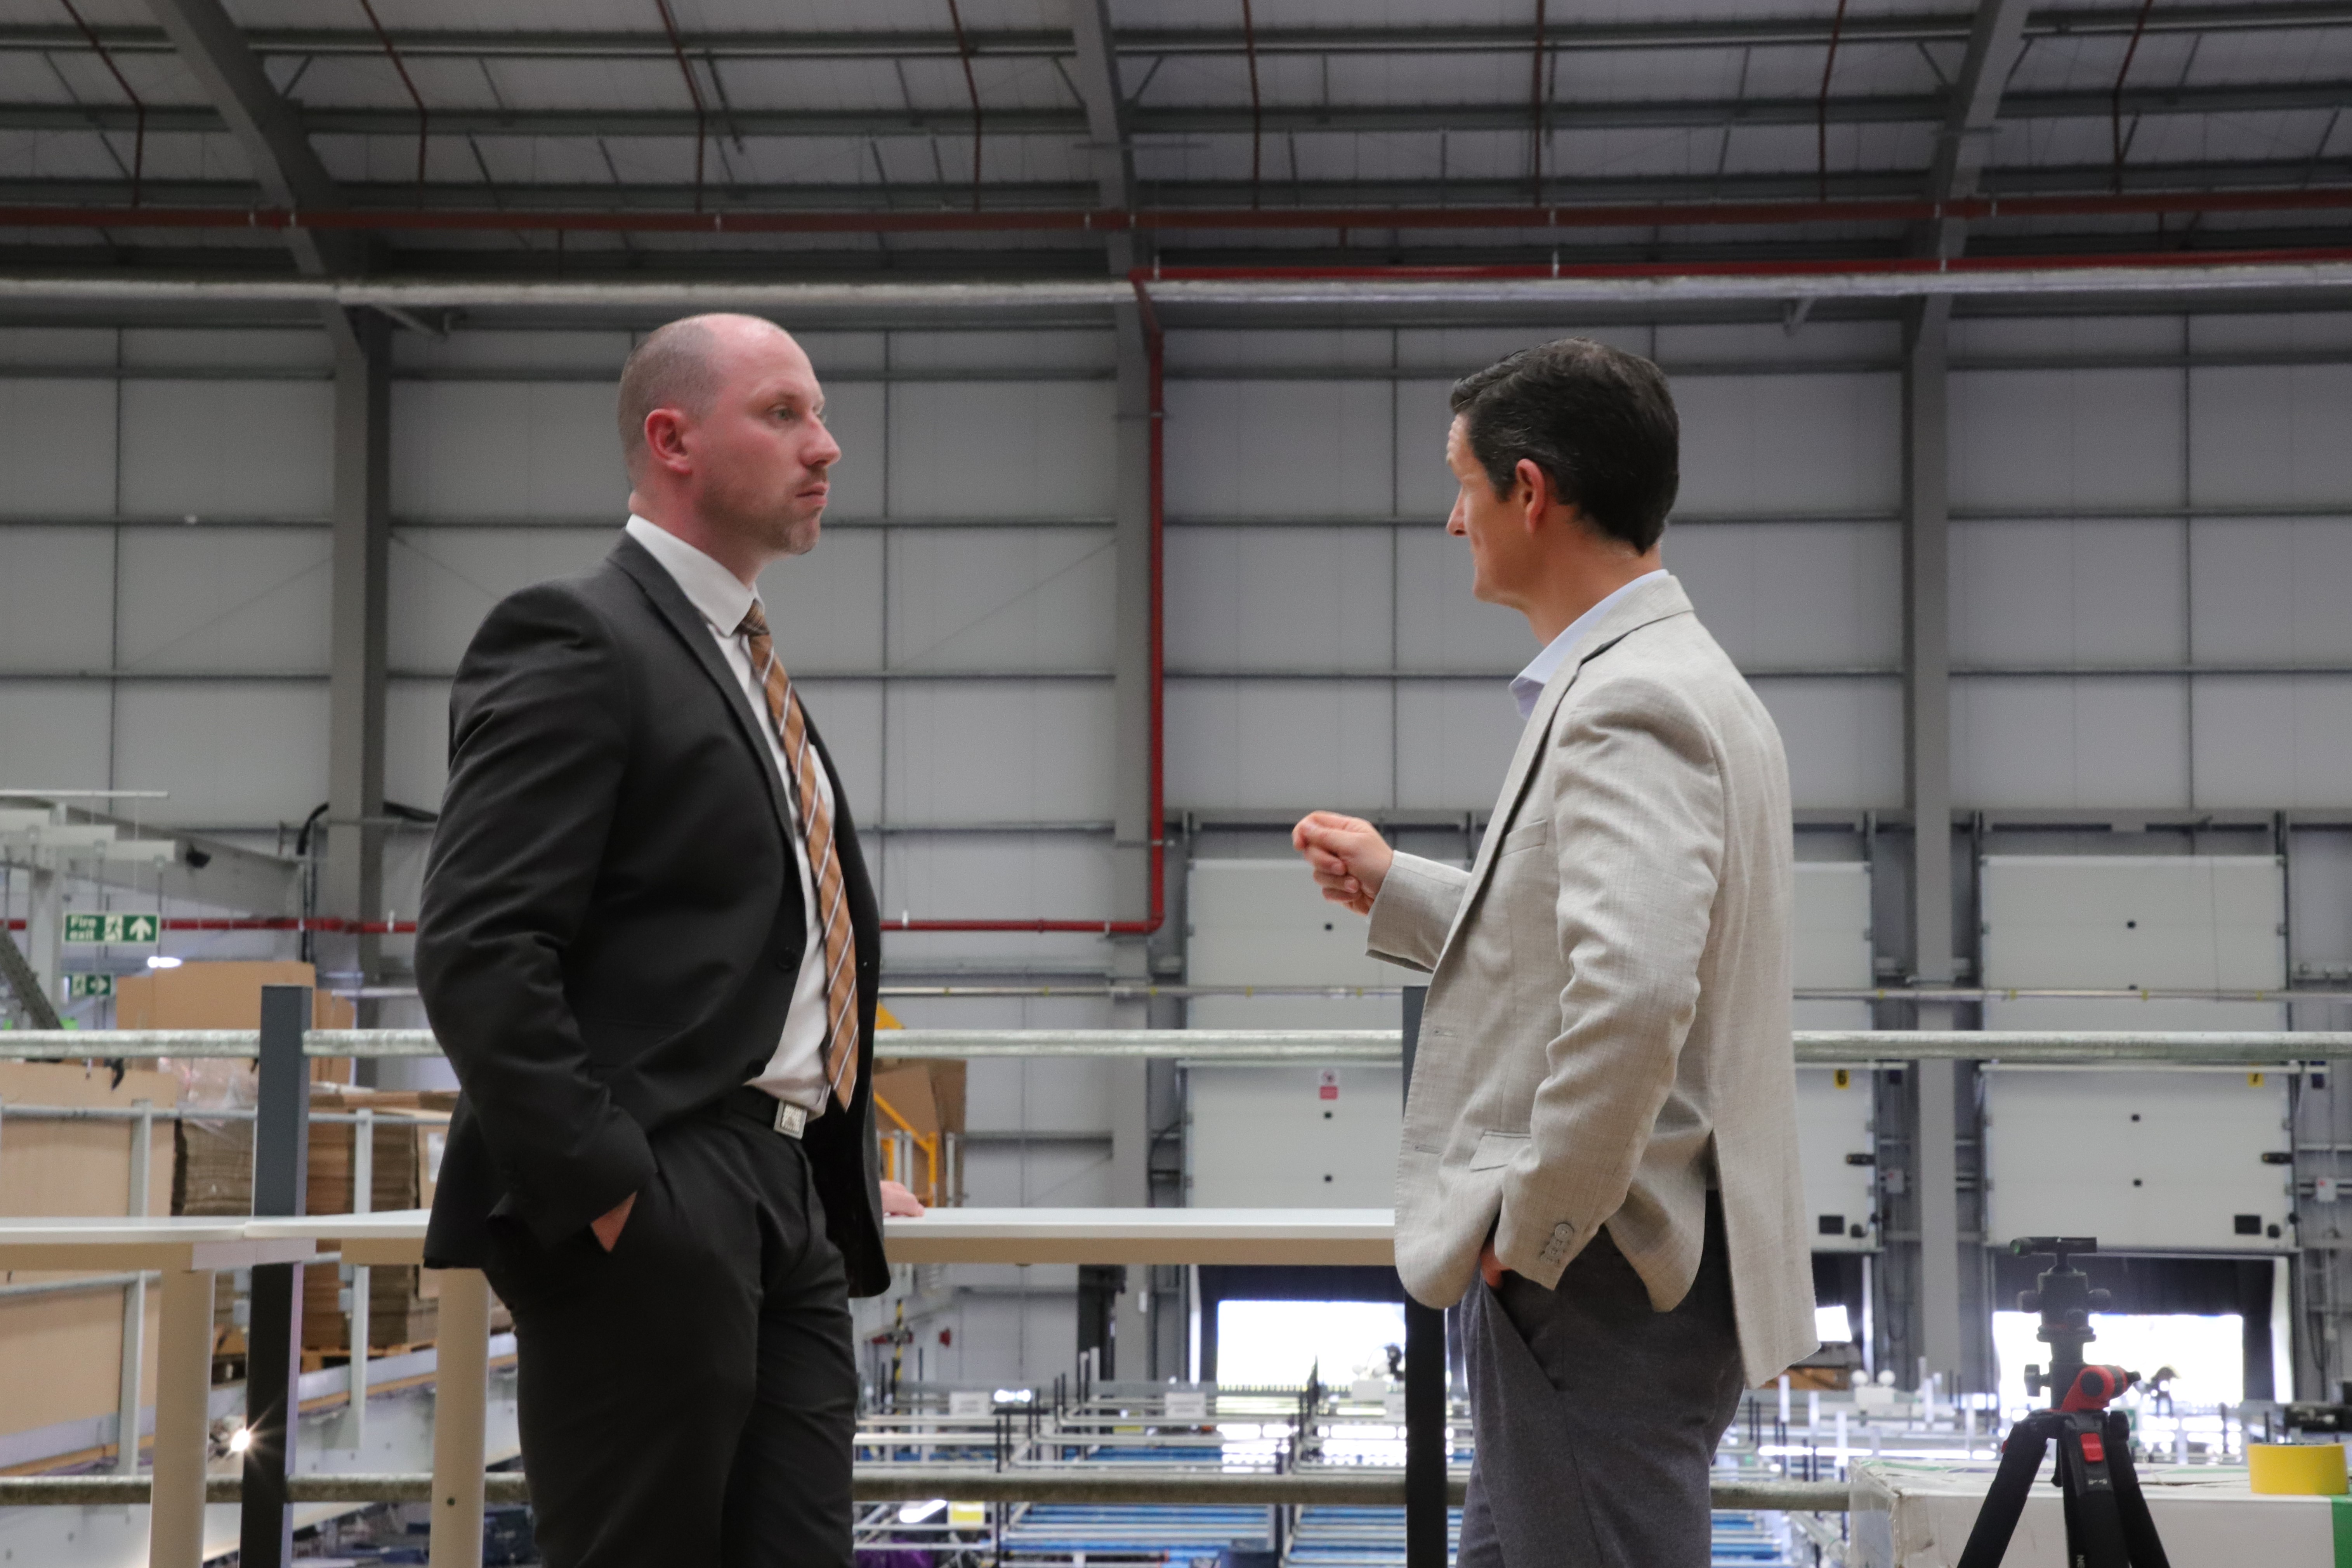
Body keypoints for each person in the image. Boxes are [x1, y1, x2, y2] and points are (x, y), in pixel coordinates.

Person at [1292, 338, 1816, 1566]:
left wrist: (1535, 1231)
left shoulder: (1626, 702)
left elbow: (1632, 997)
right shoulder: (1686, 679)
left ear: (1528, 491)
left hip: (1598, 1286)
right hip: (1627, 1282)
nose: (1452, 520)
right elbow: (1592, 945)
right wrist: (1401, 890)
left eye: (1462, 485)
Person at [417, 314, 922, 1568]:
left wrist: (818, 1161)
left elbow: (744, 957)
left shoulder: (742, 662)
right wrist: (611, 1192)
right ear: (672, 439)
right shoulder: (577, 633)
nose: (826, 446)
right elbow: (481, 945)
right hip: (657, 1201)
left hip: (783, 1203)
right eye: (784, 413)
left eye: (819, 415)